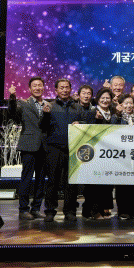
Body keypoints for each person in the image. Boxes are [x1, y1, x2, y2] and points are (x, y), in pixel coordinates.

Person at [41, 78, 87, 222]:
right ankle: (50, 211)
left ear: (70, 89)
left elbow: (86, 124)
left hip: (73, 149)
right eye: (61, 88)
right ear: (56, 90)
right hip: (54, 148)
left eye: (67, 87)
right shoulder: (50, 106)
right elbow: (43, 126)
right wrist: (45, 114)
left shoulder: (77, 107)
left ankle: (70, 211)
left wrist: (81, 123)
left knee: (71, 182)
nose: (65, 90)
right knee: (52, 181)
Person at [8, 77, 48, 220]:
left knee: (41, 180)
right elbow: (13, 113)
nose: (37, 88)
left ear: (43, 88)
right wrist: (12, 98)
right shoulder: (23, 103)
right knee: (26, 178)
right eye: (34, 86)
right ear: (30, 89)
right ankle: (23, 209)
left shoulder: (48, 105)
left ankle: (36, 208)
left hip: (44, 146)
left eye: (40, 85)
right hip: (29, 145)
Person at [84, 87, 116, 219]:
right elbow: (86, 130)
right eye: (102, 98)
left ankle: (103, 208)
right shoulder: (92, 112)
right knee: (94, 184)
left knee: (106, 183)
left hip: (109, 153)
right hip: (94, 153)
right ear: (97, 99)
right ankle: (92, 210)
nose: (105, 100)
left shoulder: (113, 112)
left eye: (108, 98)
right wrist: (95, 119)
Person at [111, 94, 134, 219]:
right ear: (121, 104)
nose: (129, 105)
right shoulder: (117, 117)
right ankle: (122, 210)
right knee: (121, 184)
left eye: (131, 103)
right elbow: (111, 127)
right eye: (126, 103)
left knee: (133, 183)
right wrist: (117, 115)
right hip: (120, 155)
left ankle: (131, 209)